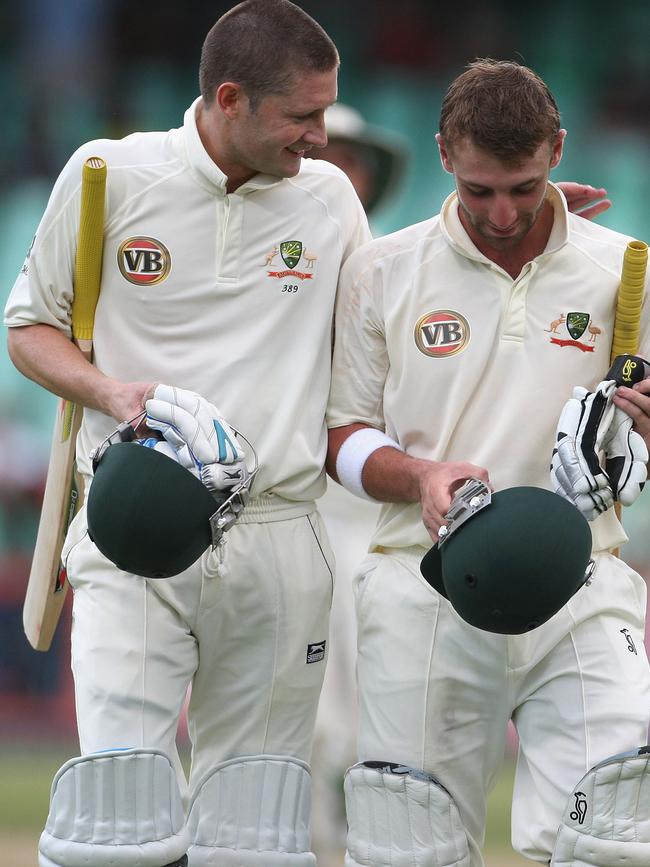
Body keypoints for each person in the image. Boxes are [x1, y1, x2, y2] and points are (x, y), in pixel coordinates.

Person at [3, 2, 371, 866]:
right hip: (134, 523)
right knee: (120, 814)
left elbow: (380, 342)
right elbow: (29, 328)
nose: (322, 136)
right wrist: (109, 389)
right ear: (231, 98)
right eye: (304, 115)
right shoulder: (109, 176)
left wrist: (541, 237)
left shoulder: (330, 204)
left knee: (252, 829)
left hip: (281, 534)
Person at [326, 60, 650, 867]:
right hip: (423, 584)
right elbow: (342, 438)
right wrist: (422, 478)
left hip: (583, 581)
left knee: (613, 836)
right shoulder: (383, 270)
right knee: (411, 848)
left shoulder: (625, 270)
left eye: (524, 187)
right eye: (479, 191)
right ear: (443, 155)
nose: (502, 214)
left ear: (558, 151)